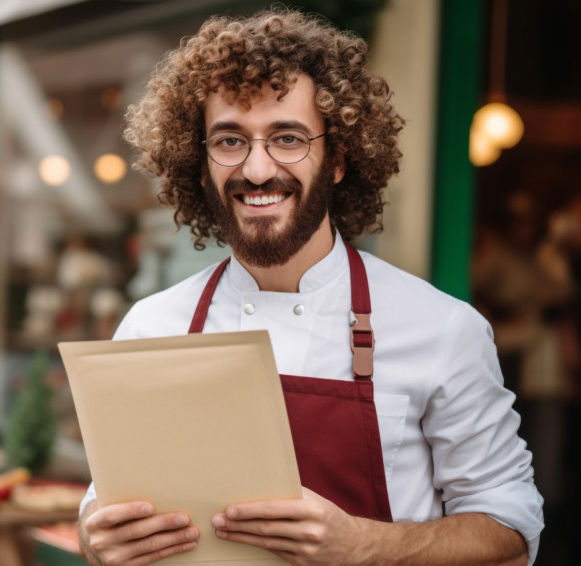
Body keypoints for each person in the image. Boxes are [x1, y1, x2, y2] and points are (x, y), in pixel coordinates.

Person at [77, 8, 543, 566]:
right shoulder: (151, 327)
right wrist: (94, 537)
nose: (255, 170)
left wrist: (366, 546)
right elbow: (101, 506)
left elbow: (509, 526)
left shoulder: (443, 329)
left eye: (288, 138)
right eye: (229, 141)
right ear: (199, 166)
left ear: (339, 158)